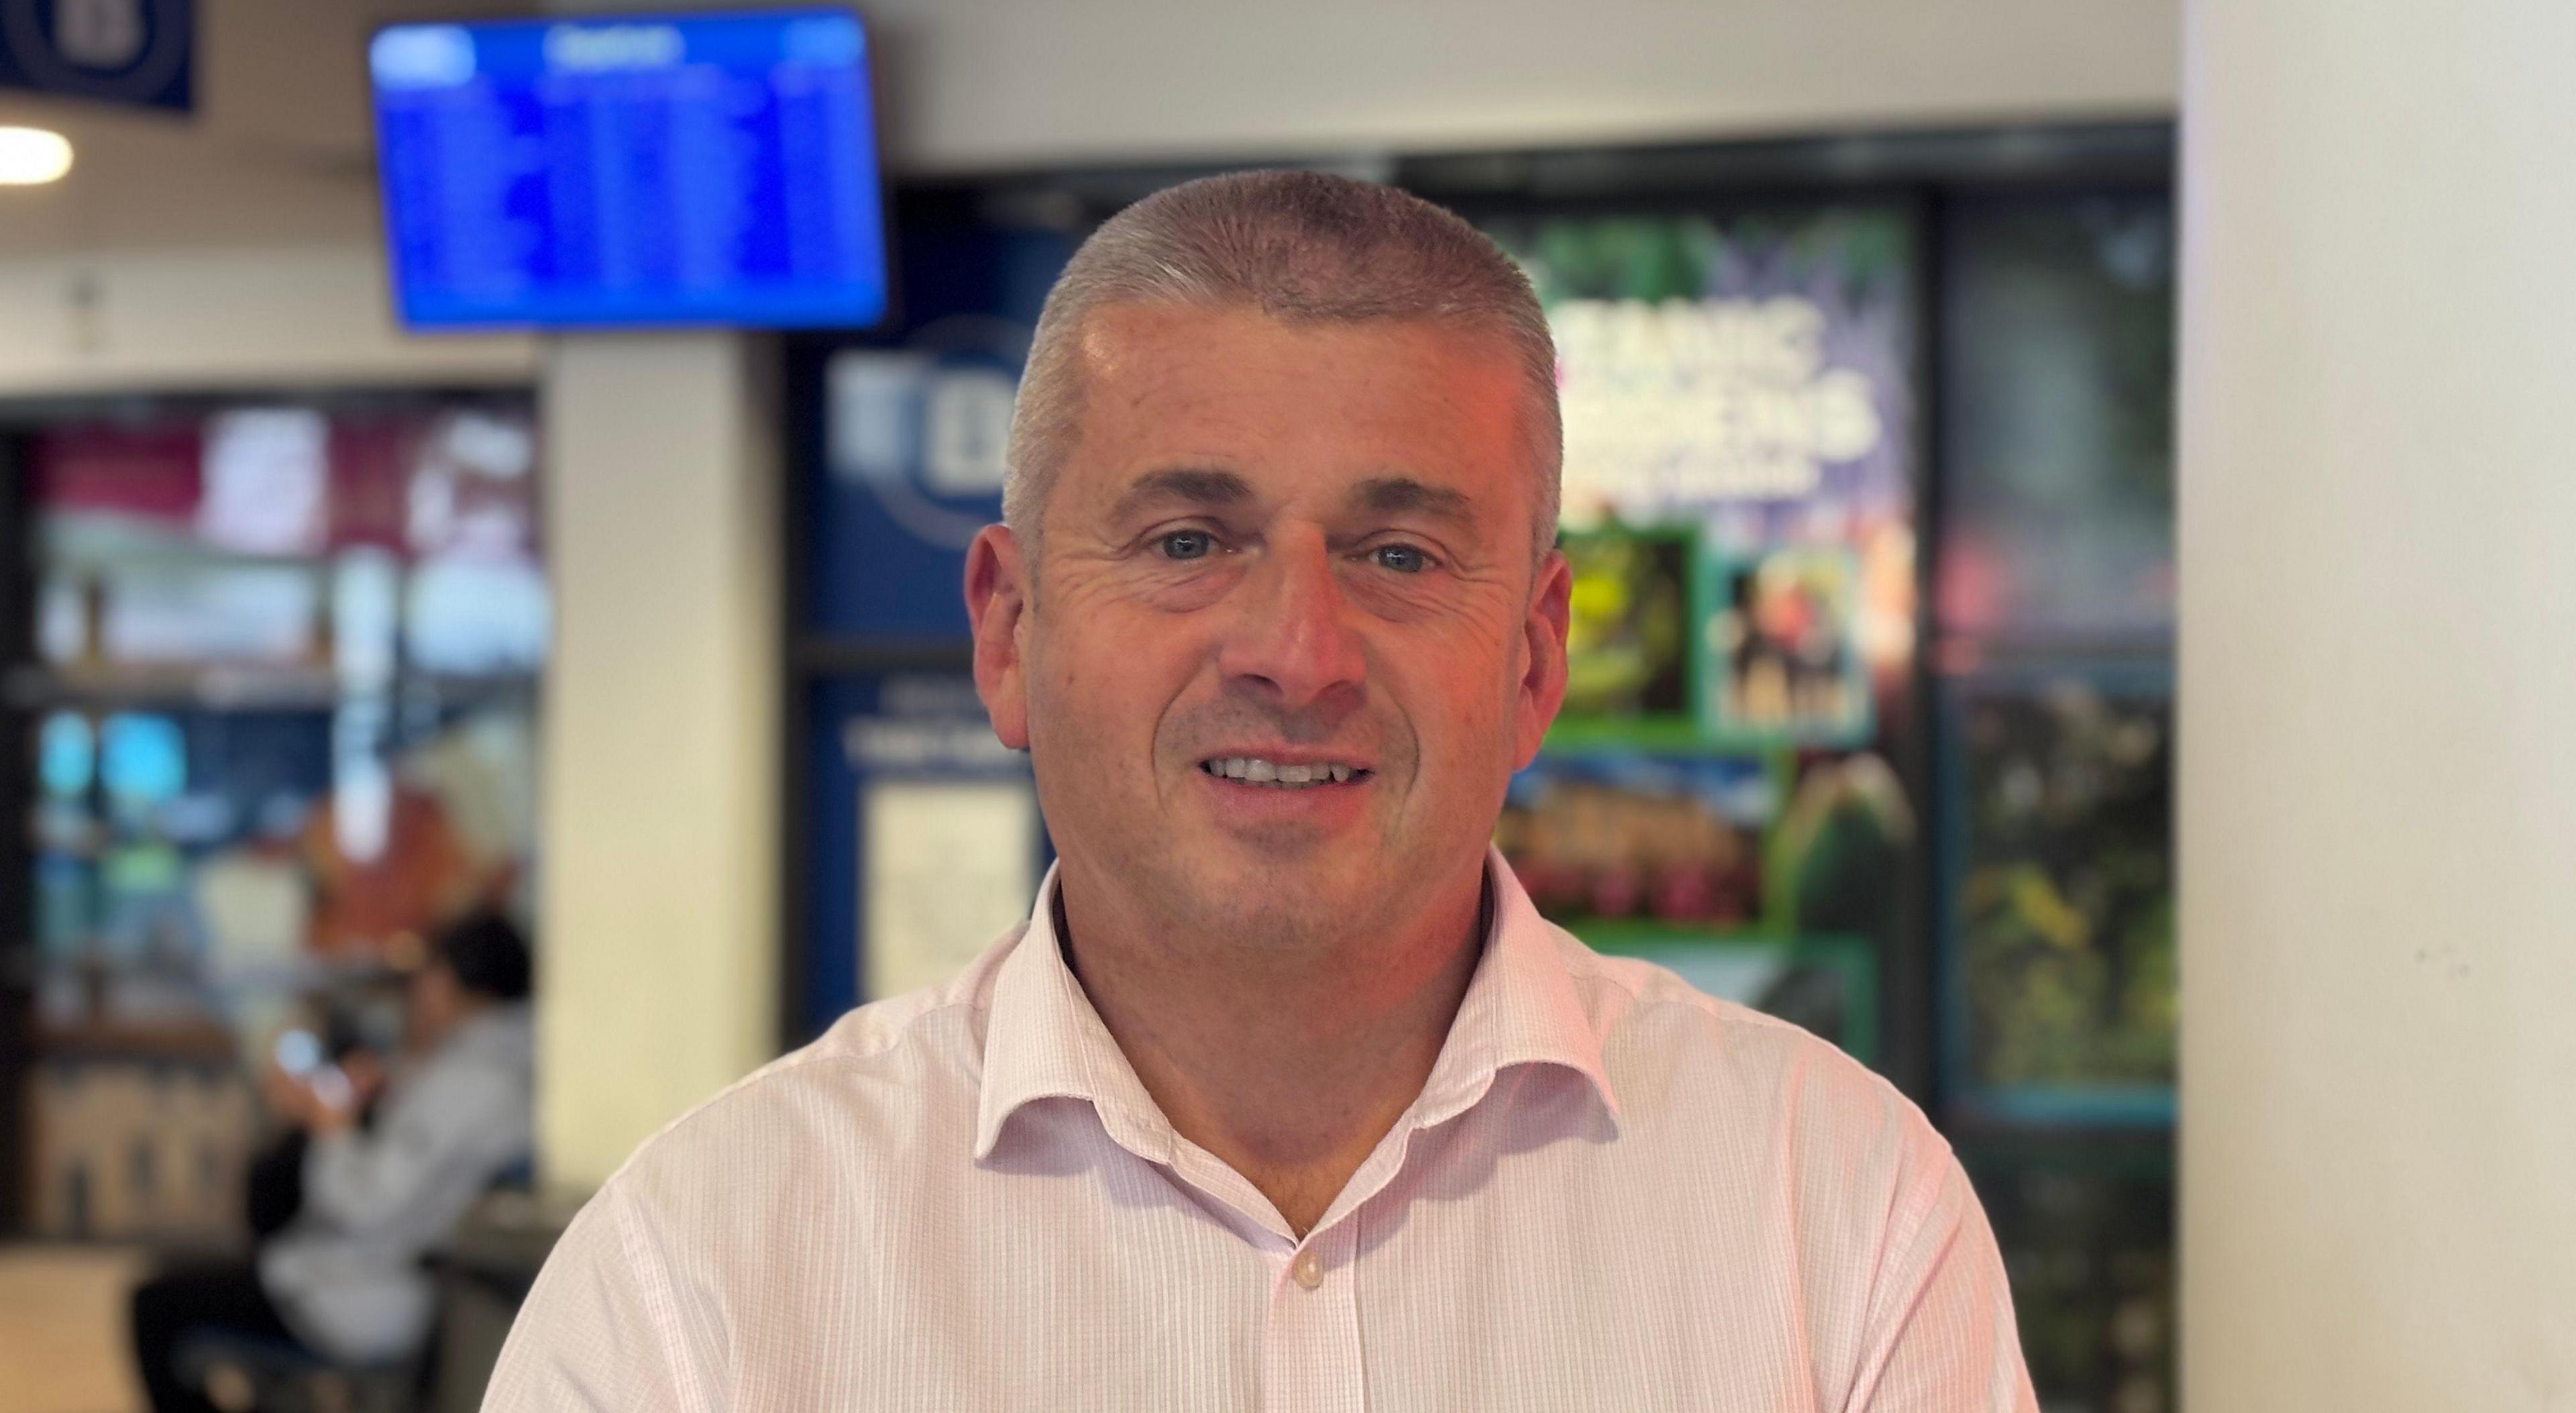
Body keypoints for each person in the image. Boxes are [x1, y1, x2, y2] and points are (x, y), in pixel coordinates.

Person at [486, 172, 2037, 1410]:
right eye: (1185, 541)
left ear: (1535, 661)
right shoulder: (699, 1276)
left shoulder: (1836, 1209)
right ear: (1009, 633)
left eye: (1398, 555)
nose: (1295, 654)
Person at [131, 911, 535, 1412]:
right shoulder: (482, 1066)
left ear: (458, 986)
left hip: (362, 1293)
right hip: (367, 1274)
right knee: (185, 1276)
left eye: (428, 976)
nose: (417, 994)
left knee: (153, 1306)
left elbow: (366, 1204)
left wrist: (332, 1127)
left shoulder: (475, 1082)